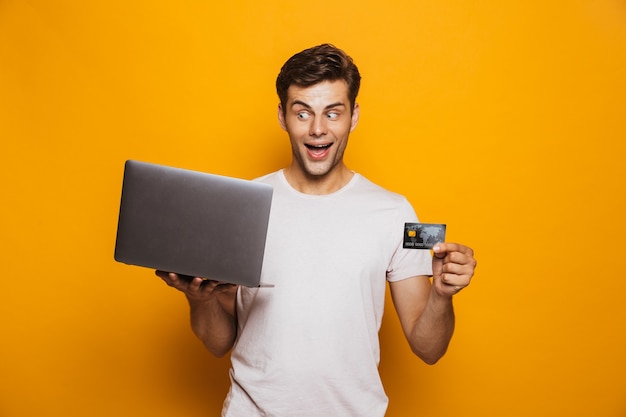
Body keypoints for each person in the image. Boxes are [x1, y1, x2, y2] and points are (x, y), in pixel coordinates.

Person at [156, 44, 477, 417]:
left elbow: (429, 348)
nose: (318, 129)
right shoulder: (240, 207)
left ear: (353, 116)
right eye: (303, 112)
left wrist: (442, 294)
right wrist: (199, 298)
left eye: (333, 112)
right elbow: (218, 342)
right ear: (282, 116)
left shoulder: (394, 212)